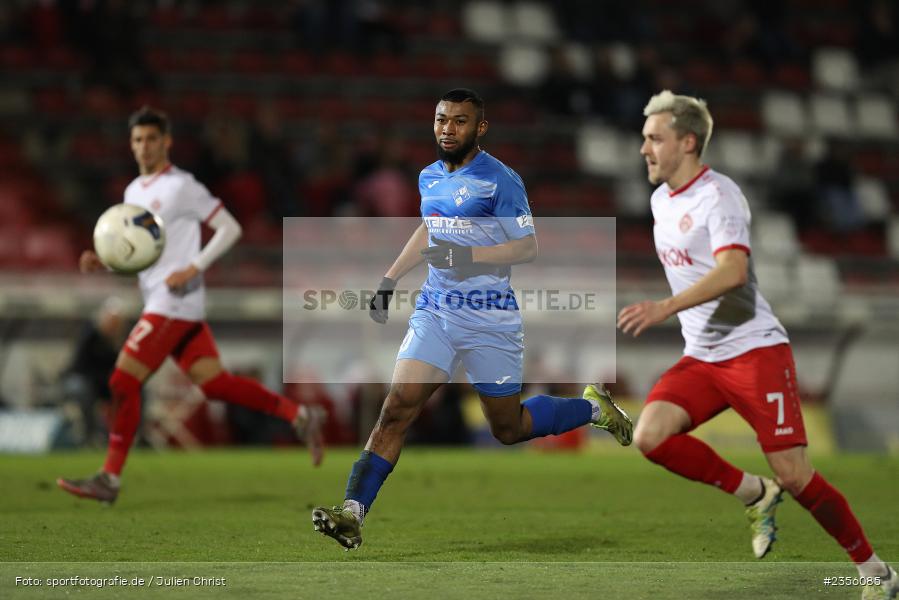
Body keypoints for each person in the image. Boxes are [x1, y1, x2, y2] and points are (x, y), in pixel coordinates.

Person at [311, 88, 633, 550]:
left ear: (479, 128)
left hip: (491, 319)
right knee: (397, 407)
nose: (447, 129)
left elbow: (527, 246)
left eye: (459, 121)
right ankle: (352, 513)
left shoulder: (500, 180)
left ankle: (592, 408)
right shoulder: (428, 177)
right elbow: (429, 227)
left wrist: (468, 254)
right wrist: (390, 279)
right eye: (442, 119)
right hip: (436, 312)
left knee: (508, 428)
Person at [621, 90, 897, 600]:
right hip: (703, 357)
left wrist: (665, 306)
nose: (644, 149)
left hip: (754, 352)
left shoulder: (719, 195)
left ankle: (875, 572)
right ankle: (754, 492)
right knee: (650, 437)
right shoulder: (661, 200)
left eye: (654, 138)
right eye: (643, 138)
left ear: (687, 142)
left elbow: (733, 270)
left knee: (795, 474)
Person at [57, 106, 325, 505]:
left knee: (121, 382)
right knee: (216, 384)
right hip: (165, 301)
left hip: (174, 303)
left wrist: (193, 267)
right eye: (137, 140)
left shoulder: (182, 186)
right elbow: (142, 255)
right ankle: (299, 415)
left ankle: (109, 479)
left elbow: (229, 228)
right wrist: (107, 262)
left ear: (166, 142)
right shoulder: (134, 193)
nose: (144, 147)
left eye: (151, 139)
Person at [60, 297, 127, 446]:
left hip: (104, 383)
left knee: (136, 391)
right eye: (111, 320)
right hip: (83, 380)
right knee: (82, 390)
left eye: (116, 322)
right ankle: (89, 435)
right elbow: (81, 366)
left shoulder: (120, 340)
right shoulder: (90, 337)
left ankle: (127, 435)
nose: (113, 325)